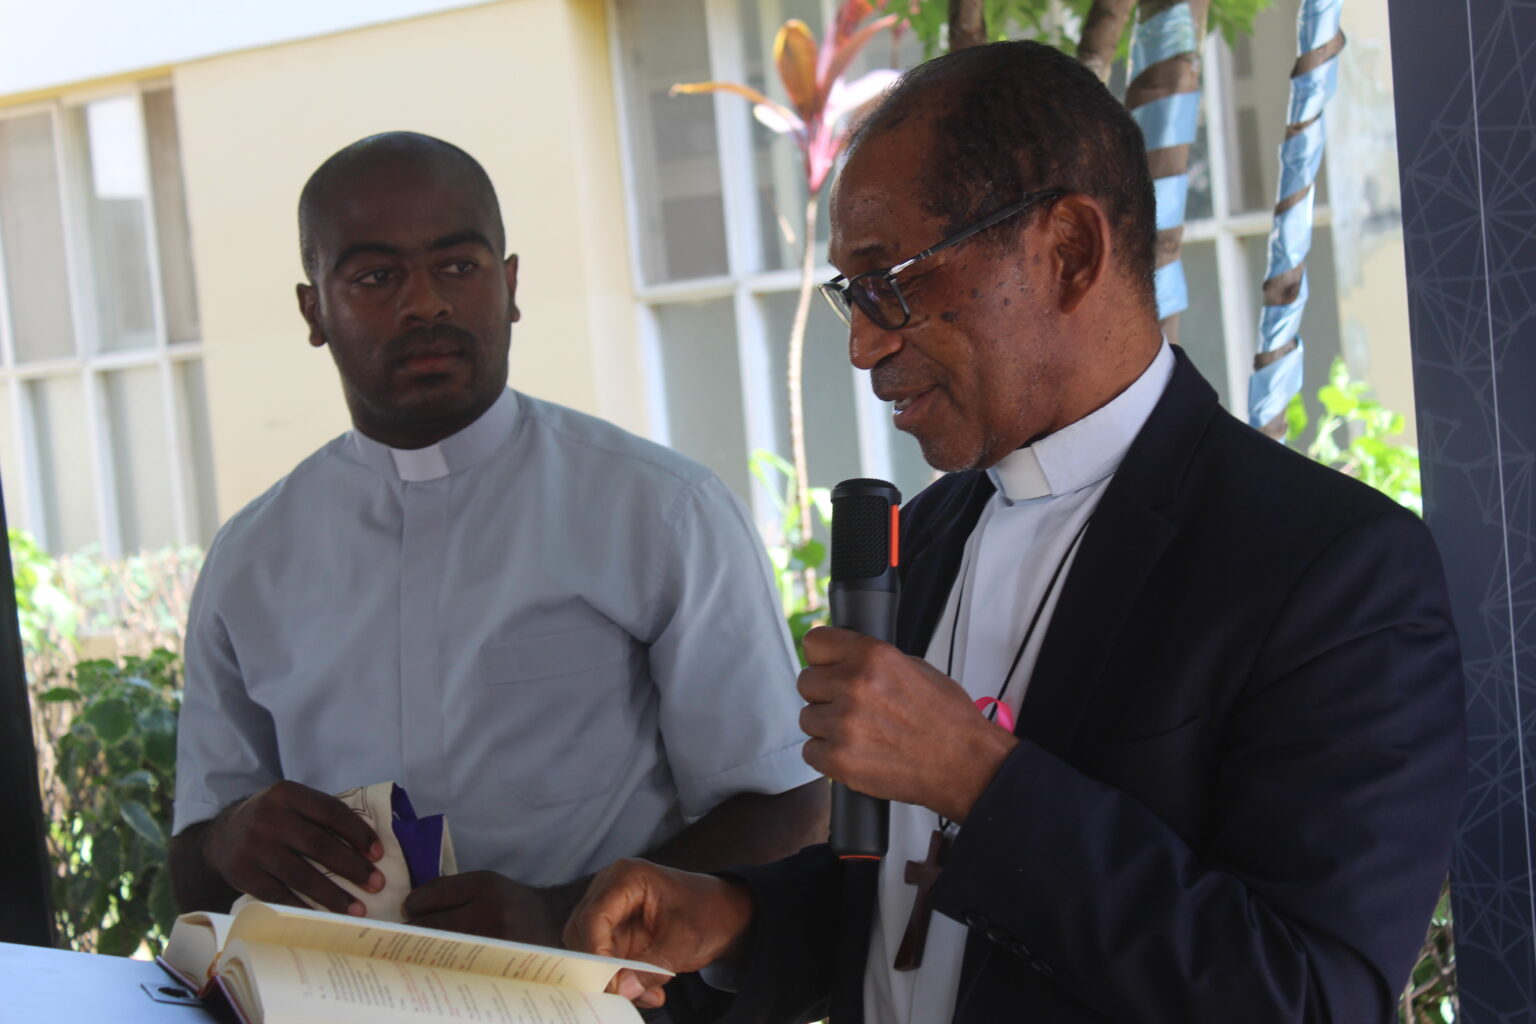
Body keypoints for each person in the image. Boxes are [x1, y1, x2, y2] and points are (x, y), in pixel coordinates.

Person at [563, 40, 1466, 1023]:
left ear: (1068, 251)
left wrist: (978, 777)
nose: (863, 344)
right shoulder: (927, 534)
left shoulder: (1332, 570)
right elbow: (904, 899)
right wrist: (735, 916)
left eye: (890, 281)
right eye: (852, 296)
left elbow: (1309, 996)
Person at [168, 132, 826, 945]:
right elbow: (195, 862)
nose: (425, 304)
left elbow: (787, 806)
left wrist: (560, 914)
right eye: (375, 277)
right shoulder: (251, 561)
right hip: (339, 993)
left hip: (602, 994)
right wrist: (228, 840)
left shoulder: (658, 511)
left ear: (510, 285)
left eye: (458, 265)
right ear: (314, 312)